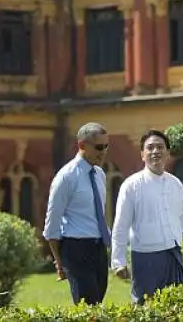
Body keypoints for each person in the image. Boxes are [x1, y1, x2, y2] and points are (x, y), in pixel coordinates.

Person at [111, 129, 183, 304]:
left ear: (167, 153)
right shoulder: (131, 185)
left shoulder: (175, 184)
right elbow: (121, 226)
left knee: (178, 308)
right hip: (145, 258)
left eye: (160, 147)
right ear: (142, 154)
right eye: (150, 148)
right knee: (146, 308)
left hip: (173, 255)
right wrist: (118, 261)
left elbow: (180, 219)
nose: (155, 151)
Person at [42, 122, 111, 306]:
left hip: (98, 248)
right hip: (76, 248)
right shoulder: (66, 177)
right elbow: (52, 225)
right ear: (81, 145)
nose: (103, 151)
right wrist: (59, 262)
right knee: (88, 308)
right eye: (98, 147)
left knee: (98, 306)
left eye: (106, 146)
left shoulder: (99, 174)